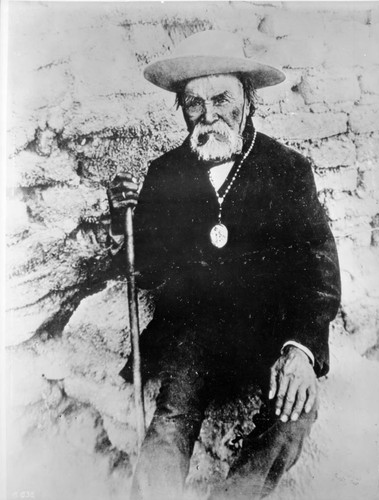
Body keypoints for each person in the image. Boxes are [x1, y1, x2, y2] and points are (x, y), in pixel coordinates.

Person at [107, 30, 341, 500]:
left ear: (248, 102)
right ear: (181, 109)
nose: (209, 115)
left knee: (295, 415)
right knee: (170, 424)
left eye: (222, 100)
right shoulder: (166, 173)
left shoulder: (287, 170)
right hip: (193, 332)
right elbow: (147, 268)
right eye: (194, 103)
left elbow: (318, 267)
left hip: (269, 328)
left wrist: (300, 351)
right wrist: (123, 219)